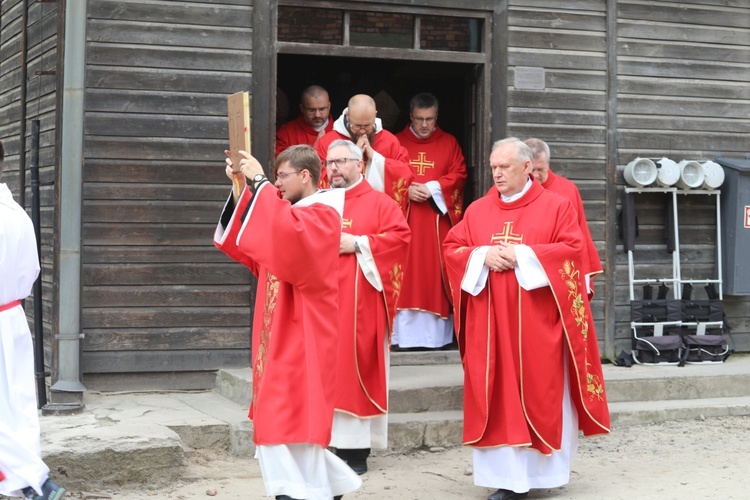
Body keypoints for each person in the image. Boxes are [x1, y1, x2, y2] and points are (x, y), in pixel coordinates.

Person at [442, 138, 610, 500]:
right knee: (495, 396)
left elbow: (572, 250)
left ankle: (539, 476)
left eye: (504, 167)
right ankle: (507, 481)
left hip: (536, 324)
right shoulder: (477, 210)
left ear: (527, 168)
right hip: (489, 328)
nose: (496, 173)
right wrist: (482, 255)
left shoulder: (556, 207)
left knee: (539, 392)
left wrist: (524, 255)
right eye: (493, 167)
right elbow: (452, 248)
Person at [214, 144, 361, 500]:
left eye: (282, 176)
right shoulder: (290, 213)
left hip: (303, 333)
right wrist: (242, 188)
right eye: (275, 176)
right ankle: (330, 485)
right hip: (278, 333)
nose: (277, 184)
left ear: (306, 175)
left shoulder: (323, 214)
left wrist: (259, 183)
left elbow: (288, 236)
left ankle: (291, 492)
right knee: (285, 420)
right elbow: (255, 243)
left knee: (281, 419)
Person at [325, 140, 411, 475]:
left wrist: (358, 243)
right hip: (324, 304)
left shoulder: (381, 203)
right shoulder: (319, 201)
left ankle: (356, 452)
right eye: (329, 162)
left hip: (362, 305)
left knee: (354, 371)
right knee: (326, 372)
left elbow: (400, 240)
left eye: (341, 162)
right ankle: (327, 443)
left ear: (360, 165)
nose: (334, 168)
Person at [0, 140, 67, 500]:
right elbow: (31, 272)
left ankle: (34, 481)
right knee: (17, 403)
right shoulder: (17, 214)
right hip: (11, 316)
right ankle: (27, 481)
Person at [393, 93, 467, 350]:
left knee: (434, 274)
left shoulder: (449, 143)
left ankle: (436, 339)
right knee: (403, 273)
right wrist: (405, 190)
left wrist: (435, 187)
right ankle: (400, 336)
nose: (424, 125)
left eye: (430, 119)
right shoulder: (395, 143)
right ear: (410, 116)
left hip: (437, 225)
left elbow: (459, 174)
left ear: (437, 117)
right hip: (404, 222)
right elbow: (382, 175)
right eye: (419, 119)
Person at [524, 138, 602, 295]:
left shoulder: (566, 189)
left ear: (548, 164)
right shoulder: (512, 193)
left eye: (541, 169)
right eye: (532, 170)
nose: (536, 175)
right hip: (526, 268)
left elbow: (580, 231)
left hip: (560, 266)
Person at [315, 94, 414, 214]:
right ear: (347, 116)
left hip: (376, 213)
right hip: (342, 213)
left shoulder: (389, 141)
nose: (362, 131)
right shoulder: (328, 141)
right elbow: (317, 177)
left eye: (367, 126)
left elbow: (406, 174)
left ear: (375, 115)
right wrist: (351, 157)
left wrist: (377, 159)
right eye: (357, 126)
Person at [275, 85, 333, 157]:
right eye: (311, 110)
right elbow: (279, 164)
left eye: (322, 109)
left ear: (329, 106)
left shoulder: (341, 131)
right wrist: (313, 151)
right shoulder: (285, 133)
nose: (317, 115)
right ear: (302, 108)